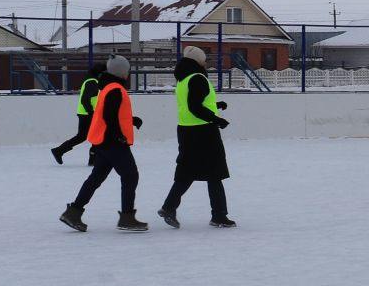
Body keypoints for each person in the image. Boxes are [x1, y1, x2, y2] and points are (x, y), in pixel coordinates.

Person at [60, 55, 148, 231]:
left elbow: (112, 113)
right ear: (123, 72)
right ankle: (127, 217)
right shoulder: (115, 89)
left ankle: (73, 212)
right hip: (112, 141)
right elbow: (109, 116)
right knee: (130, 175)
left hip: (103, 140)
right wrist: (119, 136)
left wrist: (131, 119)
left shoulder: (107, 87)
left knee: (96, 178)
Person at [158, 46, 235, 228]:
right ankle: (219, 216)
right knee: (215, 173)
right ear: (198, 61)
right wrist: (216, 120)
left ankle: (169, 207)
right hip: (204, 132)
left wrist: (216, 105)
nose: (205, 62)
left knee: (187, 172)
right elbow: (195, 107)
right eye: (204, 59)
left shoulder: (183, 79)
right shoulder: (198, 78)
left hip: (186, 130)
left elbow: (192, 104)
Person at [51, 60, 107, 164]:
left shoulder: (91, 81)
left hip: (85, 113)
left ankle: (59, 151)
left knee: (84, 136)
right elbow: (85, 100)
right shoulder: (92, 82)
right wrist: (91, 113)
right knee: (97, 135)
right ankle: (93, 159)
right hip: (88, 114)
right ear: (100, 73)